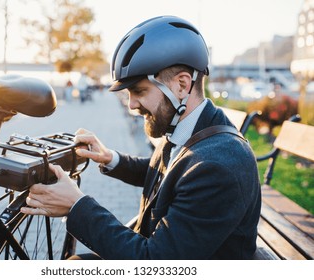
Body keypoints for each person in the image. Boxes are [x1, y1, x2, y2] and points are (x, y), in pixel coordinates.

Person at [21, 15, 261, 259]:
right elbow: (168, 173)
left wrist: (76, 205)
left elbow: (155, 262)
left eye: (139, 91)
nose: (131, 105)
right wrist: (110, 158)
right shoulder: (191, 129)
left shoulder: (218, 166)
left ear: (181, 85)